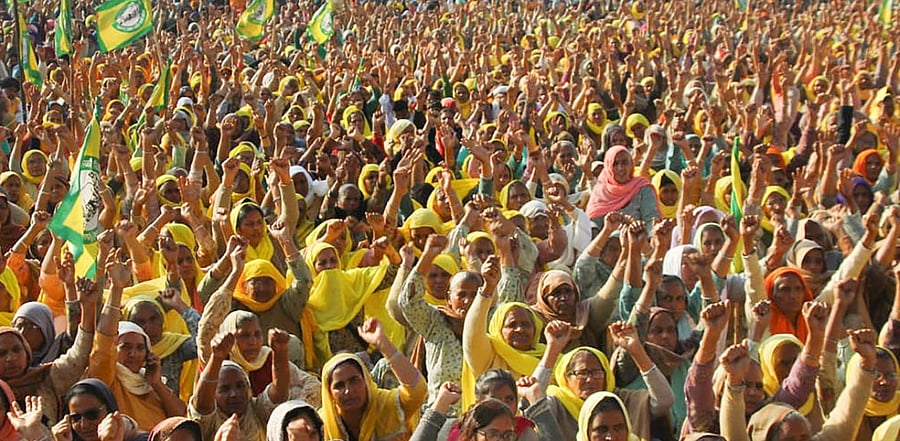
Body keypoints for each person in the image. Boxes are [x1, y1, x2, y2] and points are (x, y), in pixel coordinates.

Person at [318, 318, 427, 441]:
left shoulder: (386, 405)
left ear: (366, 382)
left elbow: (417, 391)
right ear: (329, 392)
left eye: (354, 380)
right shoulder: (320, 424)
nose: (348, 391)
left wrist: (382, 343)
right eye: (339, 386)